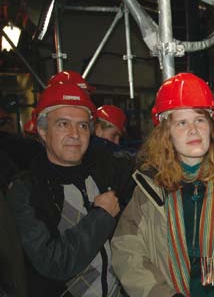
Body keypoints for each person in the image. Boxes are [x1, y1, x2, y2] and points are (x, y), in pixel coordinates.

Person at [111, 73, 214, 297]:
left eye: (200, 119)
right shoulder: (150, 188)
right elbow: (126, 252)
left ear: (212, 126)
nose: (193, 130)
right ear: (166, 133)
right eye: (181, 122)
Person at [6, 82, 135, 297]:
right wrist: (101, 215)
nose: (75, 134)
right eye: (63, 124)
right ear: (42, 131)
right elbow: (53, 263)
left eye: (83, 126)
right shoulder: (25, 192)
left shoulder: (105, 173)